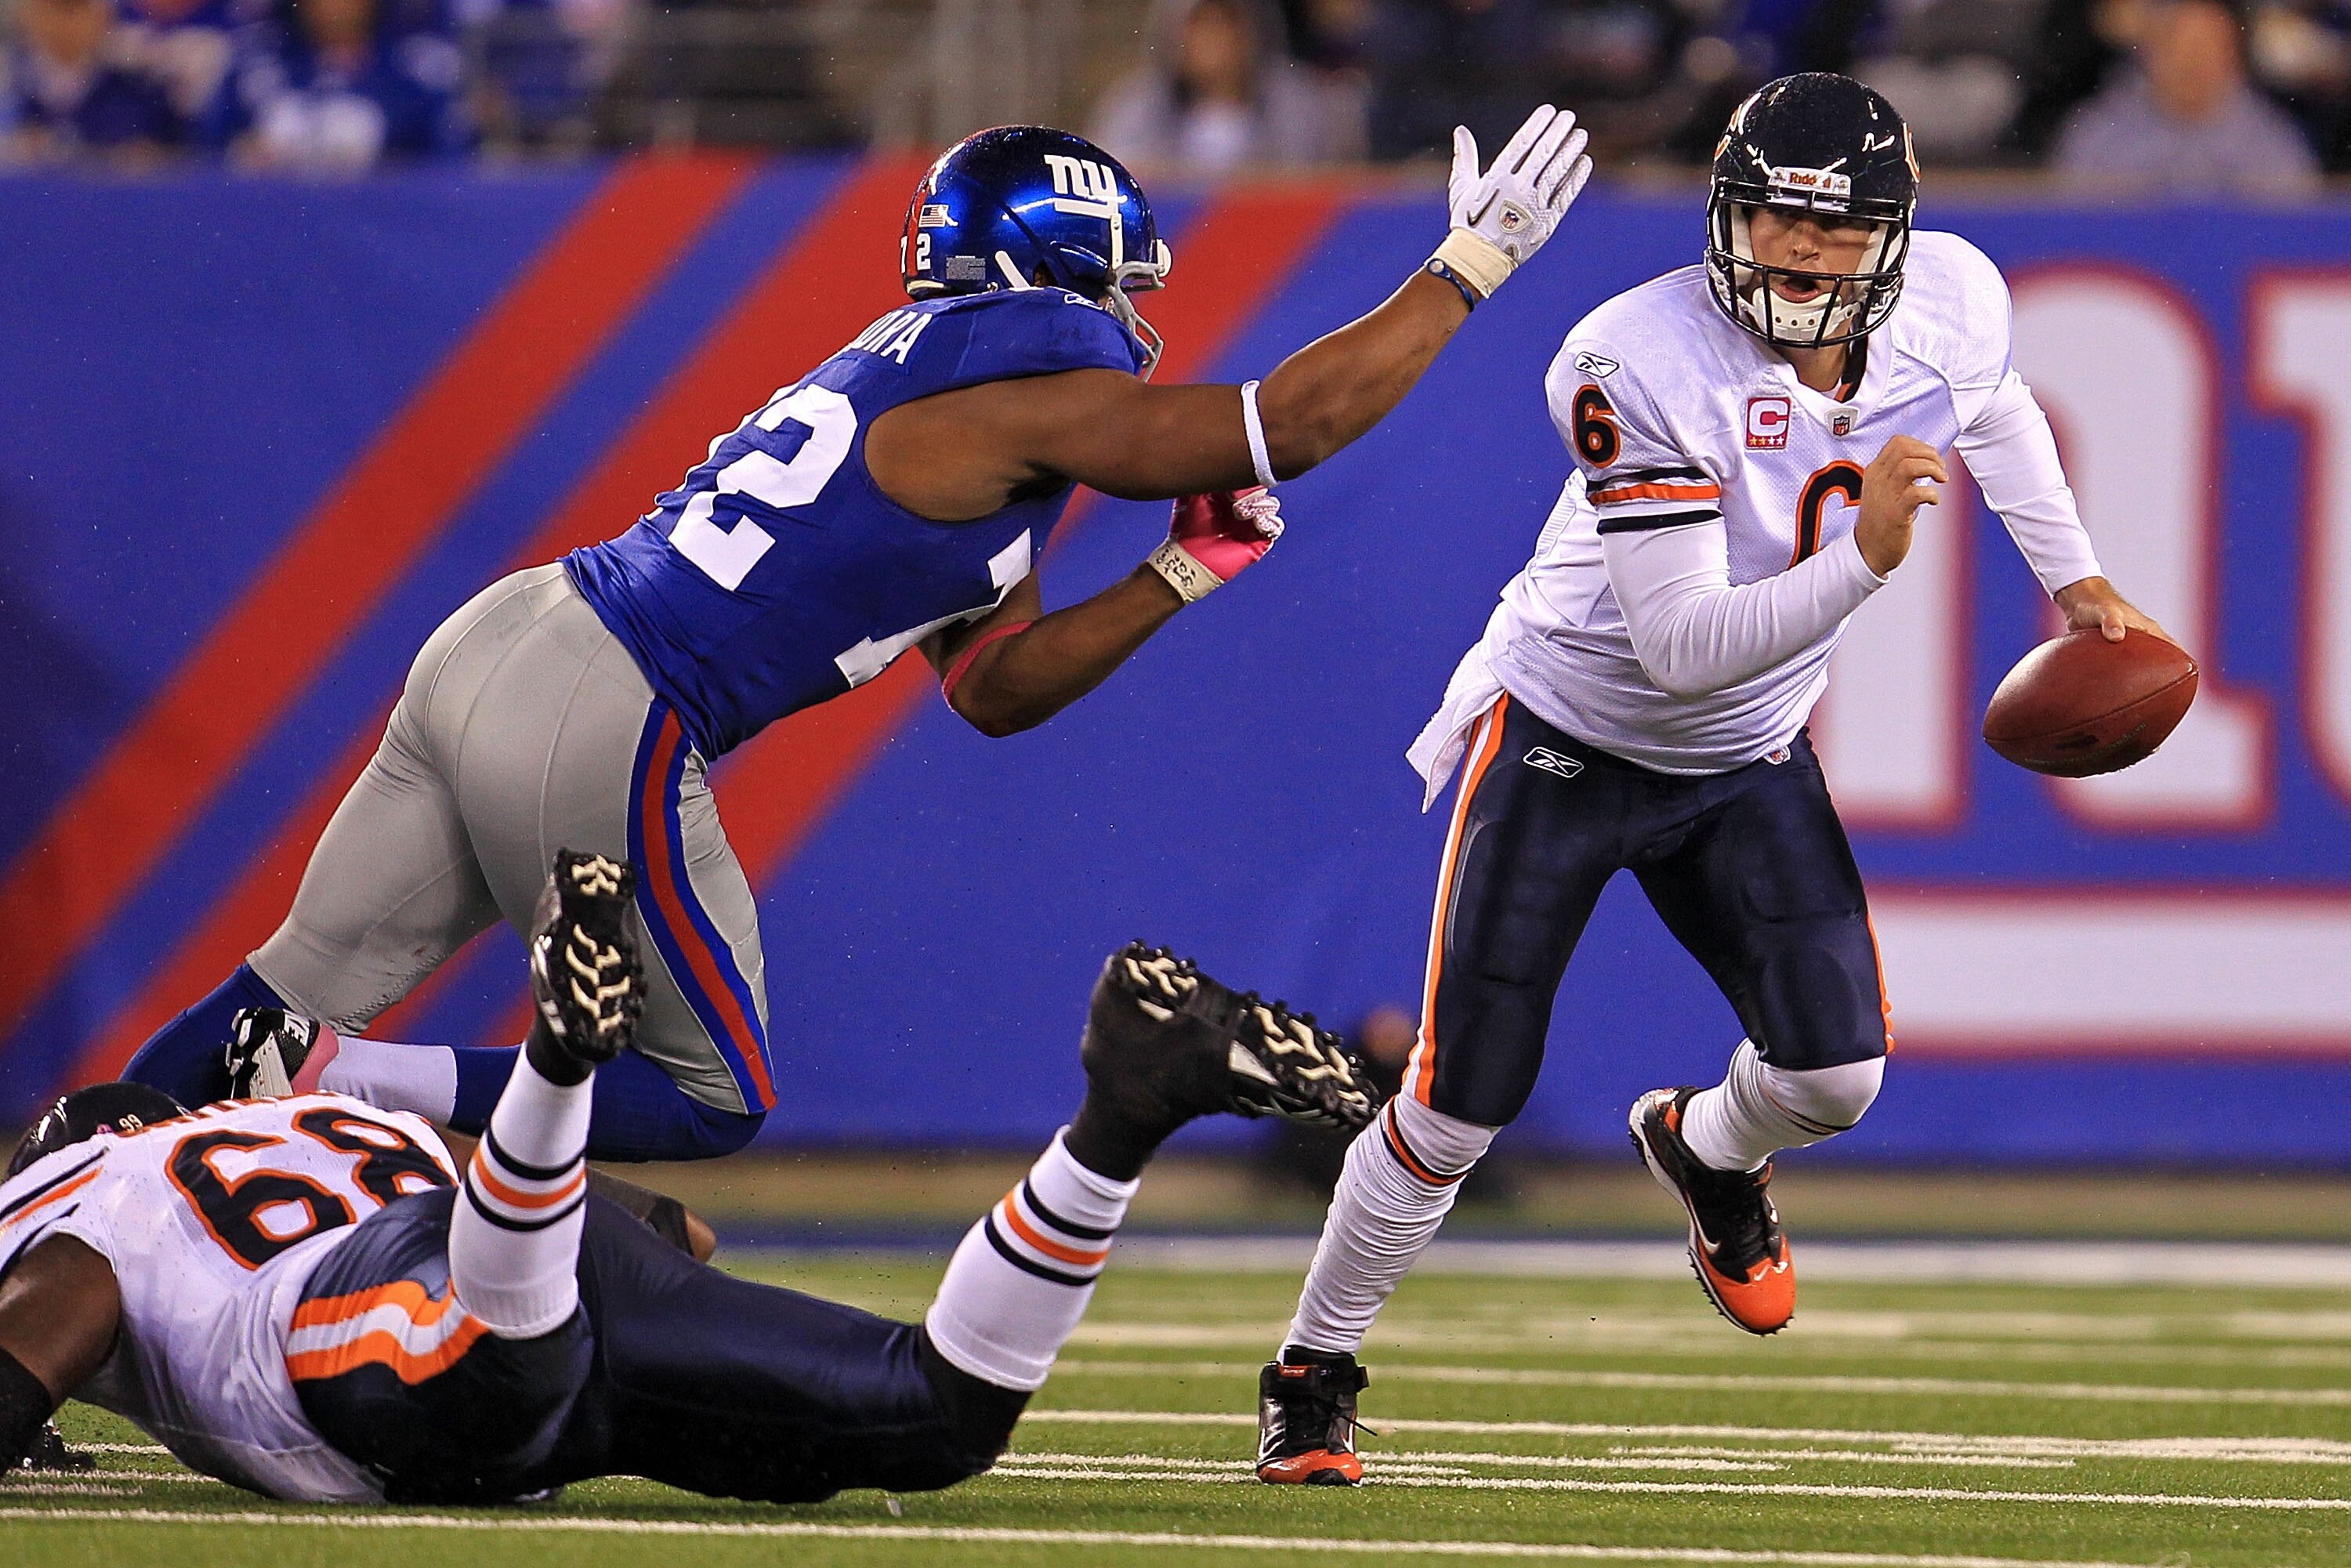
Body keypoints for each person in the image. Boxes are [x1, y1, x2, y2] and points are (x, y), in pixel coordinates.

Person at [123, 114, 1594, 1163]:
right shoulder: (1035, 367)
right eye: (1121, 285)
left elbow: (995, 690)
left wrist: (1177, 580)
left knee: (273, 990)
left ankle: (33, 1263)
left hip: (511, 639)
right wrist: (1466, 270)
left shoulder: (944, 386)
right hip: (618, 694)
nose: (1137, 319)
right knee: (707, 1092)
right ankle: (350, 1082)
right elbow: (1300, 419)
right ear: (1058, 275)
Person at [1253, 73, 2168, 1486]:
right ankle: (1314, 1368)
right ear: (1723, 216)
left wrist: (2080, 579)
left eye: (1833, 228)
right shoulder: (1637, 357)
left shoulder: (1954, 307)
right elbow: (1679, 649)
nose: (1799, 253)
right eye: (1771, 219)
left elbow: (1995, 415)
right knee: (1455, 1102)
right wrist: (1856, 561)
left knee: (1839, 1075)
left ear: (1898, 238)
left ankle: (1706, 1149)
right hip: (1568, 732)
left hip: (1743, 754)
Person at [0, 851, 1379, 1499]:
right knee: (933, 1416)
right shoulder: (280, 1132)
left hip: (383, 1321)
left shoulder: (83, 1200)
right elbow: (678, 1228)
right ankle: (1121, 1115)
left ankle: (561, 1057)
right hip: (516, 1237)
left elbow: (56, 1315)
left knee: (491, 1364)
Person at [2052, 0, 2320, 197]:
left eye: (2208, 51)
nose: (2194, 65)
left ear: (2234, 59)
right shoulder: (2098, 134)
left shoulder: (2274, 142)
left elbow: (2295, 229)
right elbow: (2069, 220)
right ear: (2152, 55)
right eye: (2183, 50)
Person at [1089, 0, 1365, 173]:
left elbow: (1321, 182)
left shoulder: (1299, 105)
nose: (1214, 40)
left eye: (1225, 24)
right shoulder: (1135, 108)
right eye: (1201, 25)